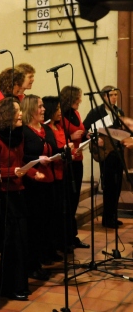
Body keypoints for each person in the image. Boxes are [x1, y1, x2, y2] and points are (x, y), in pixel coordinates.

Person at [0, 97, 43, 301]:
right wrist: (12, 172)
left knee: (22, 241)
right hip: (3, 196)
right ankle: (9, 287)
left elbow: (21, 163)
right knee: (12, 243)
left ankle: (20, 284)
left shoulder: (18, 135)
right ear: (6, 115)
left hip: (19, 192)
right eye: (17, 111)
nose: (21, 114)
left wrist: (31, 172)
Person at [20, 95, 61, 282]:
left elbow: (52, 147)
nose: (43, 109)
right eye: (39, 106)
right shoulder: (23, 131)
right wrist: (38, 159)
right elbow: (22, 155)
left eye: (43, 106)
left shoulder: (45, 128)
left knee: (46, 221)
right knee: (34, 225)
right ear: (30, 109)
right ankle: (31, 265)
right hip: (33, 182)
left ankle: (41, 258)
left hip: (49, 179)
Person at [83, 86, 125, 229]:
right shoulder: (96, 112)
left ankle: (113, 215)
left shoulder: (118, 111)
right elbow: (85, 130)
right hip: (105, 153)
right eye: (111, 95)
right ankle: (107, 218)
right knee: (109, 185)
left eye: (115, 95)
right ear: (103, 97)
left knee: (118, 184)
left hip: (118, 151)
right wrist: (95, 139)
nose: (114, 97)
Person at [60, 85, 90, 250]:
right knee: (67, 200)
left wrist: (87, 135)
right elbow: (58, 136)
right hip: (67, 163)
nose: (80, 100)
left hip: (78, 160)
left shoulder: (77, 114)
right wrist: (69, 136)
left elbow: (82, 130)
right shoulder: (61, 117)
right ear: (70, 98)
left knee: (75, 199)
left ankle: (73, 236)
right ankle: (65, 238)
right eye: (77, 97)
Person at [43, 96, 71, 251]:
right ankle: (52, 245)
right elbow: (52, 149)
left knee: (62, 209)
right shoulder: (47, 128)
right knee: (53, 213)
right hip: (52, 172)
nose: (60, 112)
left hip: (63, 170)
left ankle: (61, 241)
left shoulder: (59, 127)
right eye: (58, 109)